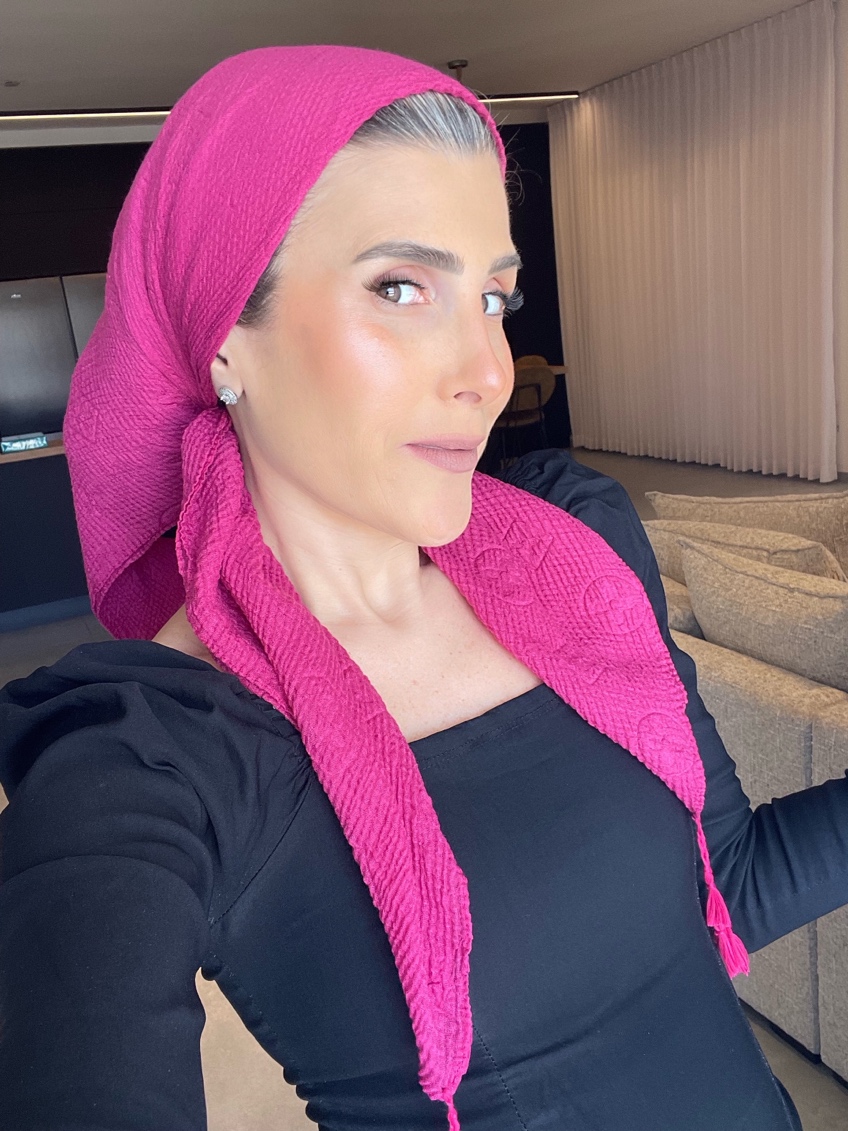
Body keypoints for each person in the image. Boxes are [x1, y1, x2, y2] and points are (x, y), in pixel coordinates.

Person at [1, 43, 847, 1131]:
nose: (487, 371)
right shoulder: (153, 754)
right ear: (222, 344)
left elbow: (722, 882)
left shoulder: (577, 552)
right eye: (399, 287)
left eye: (493, 296)